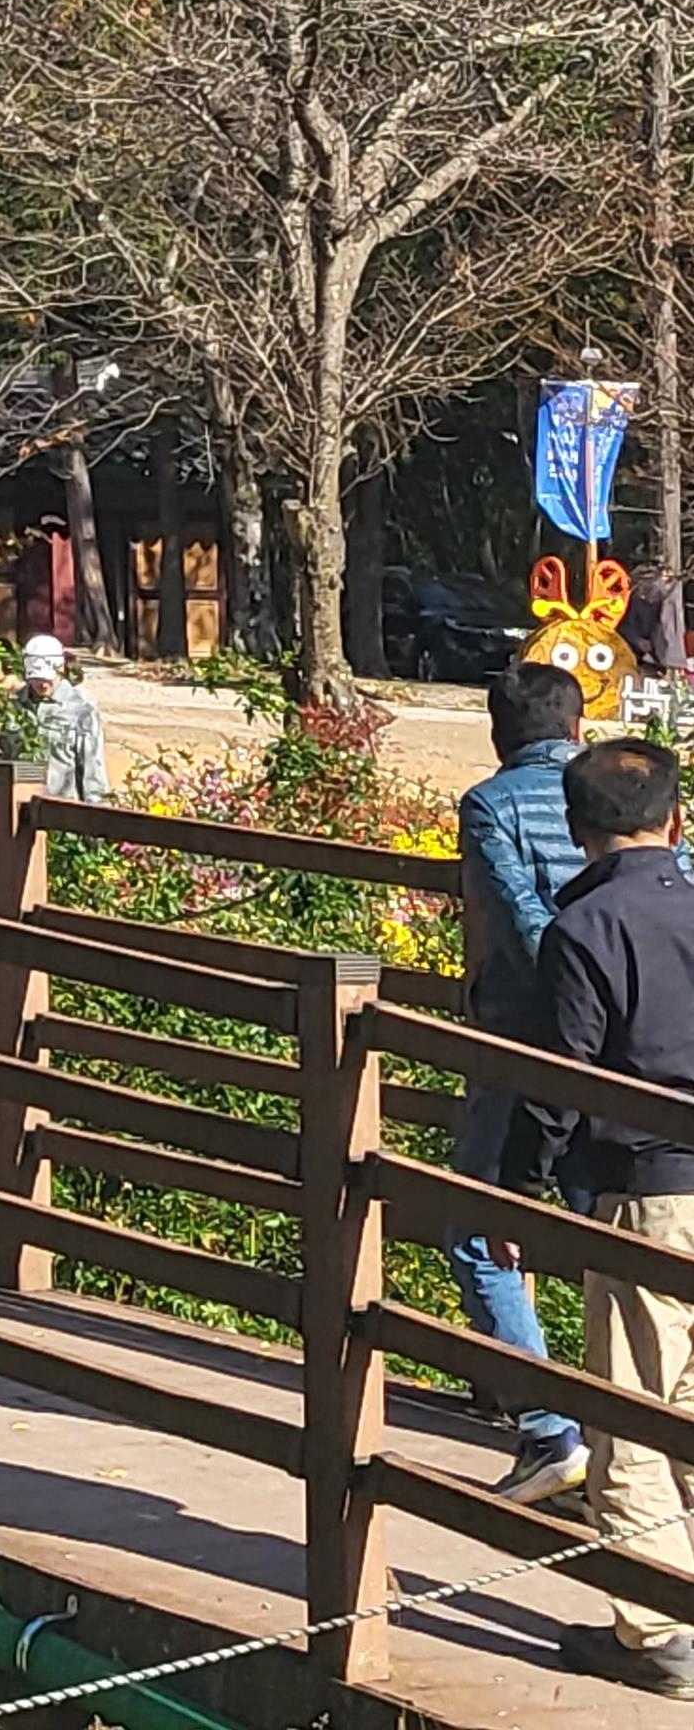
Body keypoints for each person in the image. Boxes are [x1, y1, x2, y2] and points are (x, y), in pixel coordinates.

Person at [510, 734, 694, 1693]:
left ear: (579, 832)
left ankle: (656, 1630)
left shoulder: (582, 931)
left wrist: (521, 1186)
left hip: (645, 1188)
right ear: (676, 818)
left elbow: (558, 1084)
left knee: (632, 1408)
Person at [452, 657, 590, 1505]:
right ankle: (641, 1440)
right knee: (616, 1234)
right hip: (632, 1044)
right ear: (578, 728)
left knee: (479, 1225)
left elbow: (517, 917)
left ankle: (548, 1429)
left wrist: (576, 987)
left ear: (499, 734)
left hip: (522, 1043)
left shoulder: (490, 804)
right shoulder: (625, 798)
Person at [0, 632, 108, 804]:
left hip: (63, 813)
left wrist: (96, 818)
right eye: (37, 678)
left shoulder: (81, 710)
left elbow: (93, 774)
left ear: (60, 669)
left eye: (48, 678)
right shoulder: (14, 705)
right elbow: (1, 757)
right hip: (19, 809)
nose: (43, 684)